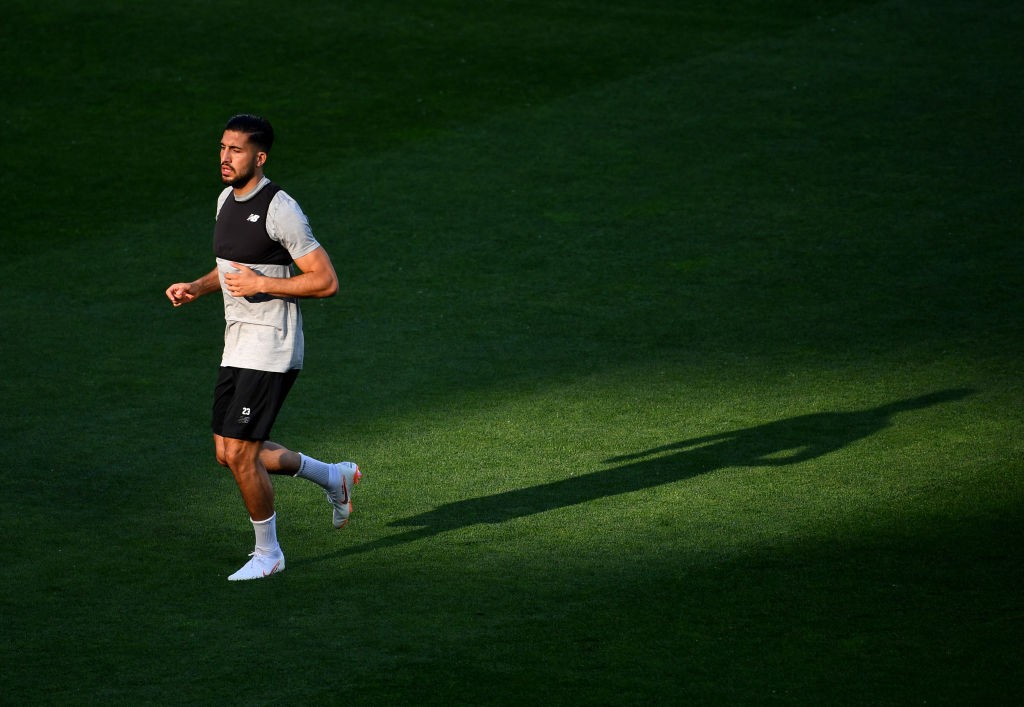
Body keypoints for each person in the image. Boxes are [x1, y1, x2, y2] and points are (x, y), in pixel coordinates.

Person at [165, 114, 360, 581]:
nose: (225, 157)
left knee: (241, 453)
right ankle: (332, 476)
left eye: (236, 150)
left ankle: (269, 553)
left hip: (271, 345)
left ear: (260, 156)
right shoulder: (225, 201)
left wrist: (264, 285)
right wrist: (197, 286)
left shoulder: (280, 208)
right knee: (226, 452)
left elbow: (325, 281)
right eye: (222, 147)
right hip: (236, 342)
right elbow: (232, 269)